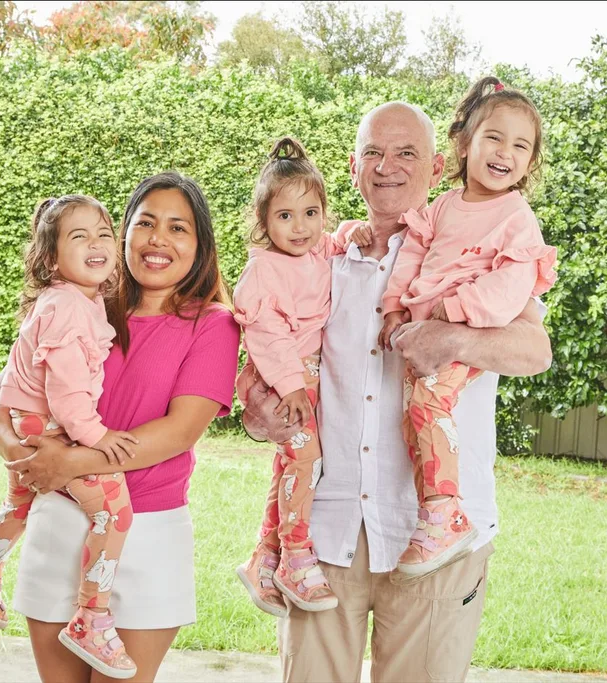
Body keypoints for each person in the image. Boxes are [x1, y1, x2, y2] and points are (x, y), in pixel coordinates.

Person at [242, 98, 553, 682]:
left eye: (406, 152)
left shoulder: (469, 259)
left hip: (431, 535)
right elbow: (263, 353)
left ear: (437, 167)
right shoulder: (316, 259)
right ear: (354, 168)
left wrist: (450, 335)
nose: (388, 166)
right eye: (373, 153)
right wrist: (259, 412)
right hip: (326, 533)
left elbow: (536, 351)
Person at [0, 173, 240, 683]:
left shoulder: (212, 324)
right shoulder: (80, 304)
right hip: (58, 521)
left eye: (177, 228)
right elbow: (1, 392)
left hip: (146, 532)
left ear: (200, 244)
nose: (158, 240)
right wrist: (23, 455)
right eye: (144, 223)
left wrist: (68, 461)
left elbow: (179, 432)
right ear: (122, 234)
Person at [353, 77, 556, 580]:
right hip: (421, 319)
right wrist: (398, 306)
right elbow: (416, 254)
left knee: (425, 405)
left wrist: (454, 311)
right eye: (493, 137)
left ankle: (444, 513)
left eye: (520, 145)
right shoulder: (441, 208)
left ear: (531, 162)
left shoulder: (516, 217)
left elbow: (514, 284)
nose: (504, 152)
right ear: (464, 144)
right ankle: (437, 510)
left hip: (463, 324)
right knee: (413, 414)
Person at [0, 194, 143, 679]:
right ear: (50, 257)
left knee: (18, 501)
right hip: (49, 422)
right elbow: (64, 390)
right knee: (113, 508)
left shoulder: (79, 299)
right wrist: (96, 437)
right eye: (79, 237)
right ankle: (92, 617)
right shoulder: (67, 307)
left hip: (28, 417)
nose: (97, 244)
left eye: (104, 234)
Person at [232, 137, 349, 617]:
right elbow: (268, 336)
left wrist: (353, 234)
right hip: (282, 380)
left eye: (311, 212)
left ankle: (265, 554)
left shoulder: (317, 251)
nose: (299, 227)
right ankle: (295, 553)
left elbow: (336, 243)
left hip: (305, 377)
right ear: (264, 222)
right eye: (285, 216)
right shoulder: (264, 270)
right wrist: (291, 387)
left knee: (289, 464)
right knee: (307, 461)